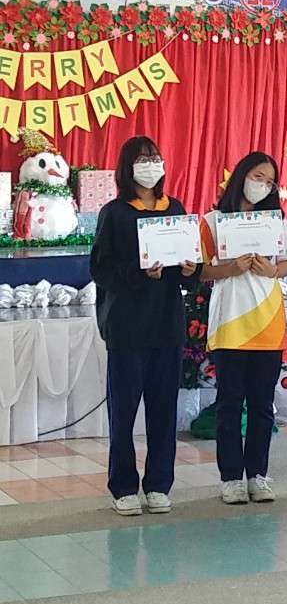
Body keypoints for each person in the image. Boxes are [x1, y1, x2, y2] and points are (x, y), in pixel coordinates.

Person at [91, 136, 198, 516]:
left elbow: (190, 268)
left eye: (155, 158)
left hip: (166, 324)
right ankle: (123, 486)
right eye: (142, 159)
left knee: (164, 410)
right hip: (127, 327)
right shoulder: (114, 213)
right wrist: (138, 272)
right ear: (128, 167)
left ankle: (158, 484)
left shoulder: (176, 208)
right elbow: (101, 270)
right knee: (123, 413)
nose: (151, 165)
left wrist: (191, 269)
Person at [200, 152, 287, 504]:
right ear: (241, 176)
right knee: (229, 404)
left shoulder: (275, 221)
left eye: (269, 181)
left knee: (262, 406)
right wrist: (230, 268)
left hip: (267, 322)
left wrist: (273, 271)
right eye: (257, 177)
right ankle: (230, 477)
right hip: (229, 323)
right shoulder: (212, 221)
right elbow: (200, 270)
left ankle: (258, 474)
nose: (262, 185)